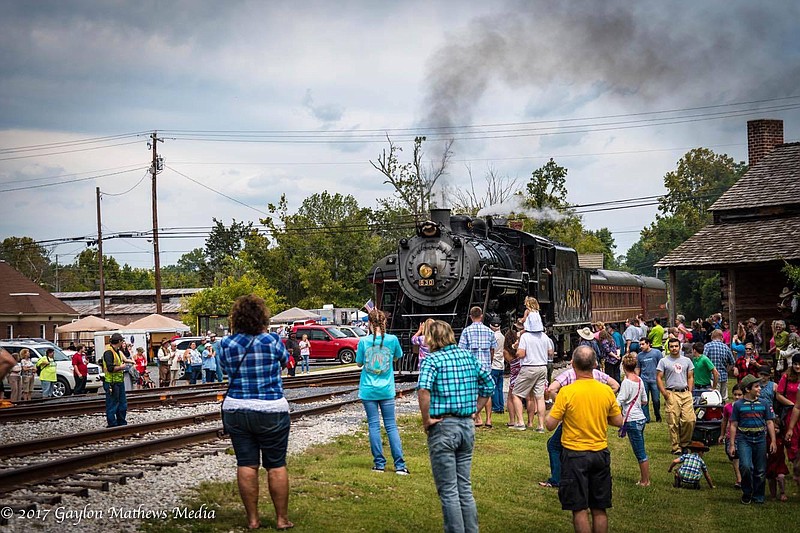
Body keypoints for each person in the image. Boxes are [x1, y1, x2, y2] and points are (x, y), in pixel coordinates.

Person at [219, 294, 292, 531]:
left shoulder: (226, 344)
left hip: (237, 408)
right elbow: (285, 361)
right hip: (271, 408)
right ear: (262, 317)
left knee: (247, 464)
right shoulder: (272, 341)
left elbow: (224, 367)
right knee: (276, 464)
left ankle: (252, 520)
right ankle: (281, 519)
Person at [417, 320, 494, 533]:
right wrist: (475, 411)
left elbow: (424, 390)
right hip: (466, 427)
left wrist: (426, 419)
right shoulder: (468, 356)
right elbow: (489, 383)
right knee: (464, 488)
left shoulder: (432, 360)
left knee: (449, 490)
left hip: (443, 426)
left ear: (431, 338)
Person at [545, 345, 623, 533]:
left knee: (579, 508)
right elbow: (618, 421)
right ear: (595, 364)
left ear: (572, 365)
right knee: (599, 508)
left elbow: (549, 424)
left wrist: (559, 410)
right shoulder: (606, 391)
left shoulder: (566, 392)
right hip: (599, 452)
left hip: (574, 454)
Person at [539, 361, 619, 489]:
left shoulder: (568, 376)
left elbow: (552, 389)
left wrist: (558, 402)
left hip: (574, 420)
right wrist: (604, 398)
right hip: (595, 425)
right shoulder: (599, 377)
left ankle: (557, 478)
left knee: (554, 445)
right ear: (594, 363)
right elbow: (615, 385)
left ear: (574, 364)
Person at [356, 309, 408, 474]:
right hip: (386, 390)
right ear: (385, 322)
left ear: (369, 324)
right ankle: (399, 465)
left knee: (373, 426)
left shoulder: (363, 342)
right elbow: (397, 356)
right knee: (391, 426)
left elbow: (358, 363)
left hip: (368, 390)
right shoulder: (392, 340)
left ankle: (379, 464)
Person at [729, 374, 777, 504]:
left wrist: (773, 440)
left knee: (760, 469)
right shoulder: (738, 405)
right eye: (756, 386)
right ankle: (747, 491)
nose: (759, 388)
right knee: (745, 466)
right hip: (744, 439)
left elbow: (769, 422)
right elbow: (733, 424)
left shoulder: (764, 403)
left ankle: (758, 495)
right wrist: (732, 444)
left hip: (760, 439)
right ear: (748, 390)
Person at [458, 306, 497, 427]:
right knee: (487, 392)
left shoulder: (466, 331)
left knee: (474, 392)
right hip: (485, 365)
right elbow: (492, 349)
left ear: (470, 317)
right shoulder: (490, 331)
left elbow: (461, 350)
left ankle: (477, 418)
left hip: (471, 366)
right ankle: (489, 419)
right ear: (481, 316)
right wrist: (489, 362)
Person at [657, 338, 695, 454]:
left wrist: (690, 390)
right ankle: (676, 447)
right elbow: (659, 377)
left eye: (676, 346)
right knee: (673, 421)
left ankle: (685, 443)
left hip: (685, 393)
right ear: (669, 348)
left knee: (689, 420)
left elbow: (690, 376)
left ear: (680, 347)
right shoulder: (664, 361)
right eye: (672, 346)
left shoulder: (687, 360)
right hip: (671, 393)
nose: (674, 348)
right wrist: (664, 393)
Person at [514, 325, 554, 433]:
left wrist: (517, 350)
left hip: (529, 367)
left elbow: (521, 354)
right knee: (539, 397)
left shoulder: (525, 336)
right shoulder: (544, 336)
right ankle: (540, 425)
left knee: (516, 394)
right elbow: (550, 352)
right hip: (542, 367)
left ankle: (520, 423)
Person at [618, 354, 650, 486]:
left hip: (631, 419)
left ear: (623, 366)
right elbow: (644, 400)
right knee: (641, 449)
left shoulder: (626, 382)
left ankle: (645, 480)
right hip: (641, 418)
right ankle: (645, 478)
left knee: (640, 452)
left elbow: (619, 400)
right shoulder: (639, 380)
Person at [776, 354, 800, 494]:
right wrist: (792, 404)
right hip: (791, 413)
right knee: (792, 443)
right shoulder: (786, 376)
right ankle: (796, 466)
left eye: (799, 364)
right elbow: (779, 394)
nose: (797, 366)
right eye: (796, 364)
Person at [719, 384, 744, 489]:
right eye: (735, 394)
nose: (737, 397)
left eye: (740, 395)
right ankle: (739, 478)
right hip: (731, 436)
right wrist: (722, 434)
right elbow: (724, 421)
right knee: (733, 456)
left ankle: (741, 479)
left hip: (743, 436)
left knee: (741, 458)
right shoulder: (728, 407)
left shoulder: (745, 407)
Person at [102, 333, 128, 427]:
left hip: (118, 381)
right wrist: (121, 367)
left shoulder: (116, 351)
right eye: (122, 341)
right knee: (112, 404)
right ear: (119, 341)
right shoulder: (108, 352)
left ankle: (121, 422)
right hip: (112, 382)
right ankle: (112, 424)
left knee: (122, 404)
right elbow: (110, 368)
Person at [636, 338, 662, 423]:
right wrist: (636, 379)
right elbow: (638, 368)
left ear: (648, 344)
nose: (641, 346)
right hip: (644, 380)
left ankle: (657, 415)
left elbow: (661, 366)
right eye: (640, 344)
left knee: (656, 400)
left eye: (643, 344)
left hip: (655, 380)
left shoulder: (657, 353)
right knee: (644, 400)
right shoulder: (639, 356)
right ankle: (646, 418)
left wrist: (660, 377)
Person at [704, 329, 735, 401]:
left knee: (714, 399)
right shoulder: (726, 347)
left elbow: (703, 360)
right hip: (724, 376)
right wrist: (726, 370)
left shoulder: (707, 346)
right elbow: (732, 362)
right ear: (721, 337)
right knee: (723, 399)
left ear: (712, 336)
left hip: (711, 377)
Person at [504, 329, 525, 429]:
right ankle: (524, 420)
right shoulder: (520, 348)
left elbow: (509, 361)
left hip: (514, 374)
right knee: (523, 397)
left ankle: (512, 420)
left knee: (510, 397)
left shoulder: (506, 351)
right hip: (522, 373)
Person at [489, 317, 505, 415]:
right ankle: (501, 406)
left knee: (493, 387)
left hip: (494, 364)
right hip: (501, 364)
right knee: (500, 387)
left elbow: (492, 350)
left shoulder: (492, 336)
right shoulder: (502, 336)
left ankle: (495, 407)